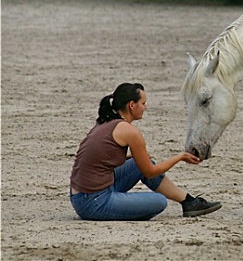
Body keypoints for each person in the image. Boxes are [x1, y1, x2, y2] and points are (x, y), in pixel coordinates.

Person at [69, 82, 221, 221]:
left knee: (137, 163)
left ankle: (189, 202)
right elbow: (150, 172)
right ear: (132, 105)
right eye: (143, 103)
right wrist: (180, 157)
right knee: (159, 201)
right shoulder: (130, 132)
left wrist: (130, 157)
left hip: (80, 195)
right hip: (93, 203)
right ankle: (119, 203)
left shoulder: (106, 121)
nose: (146, 107)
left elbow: (99, 157)